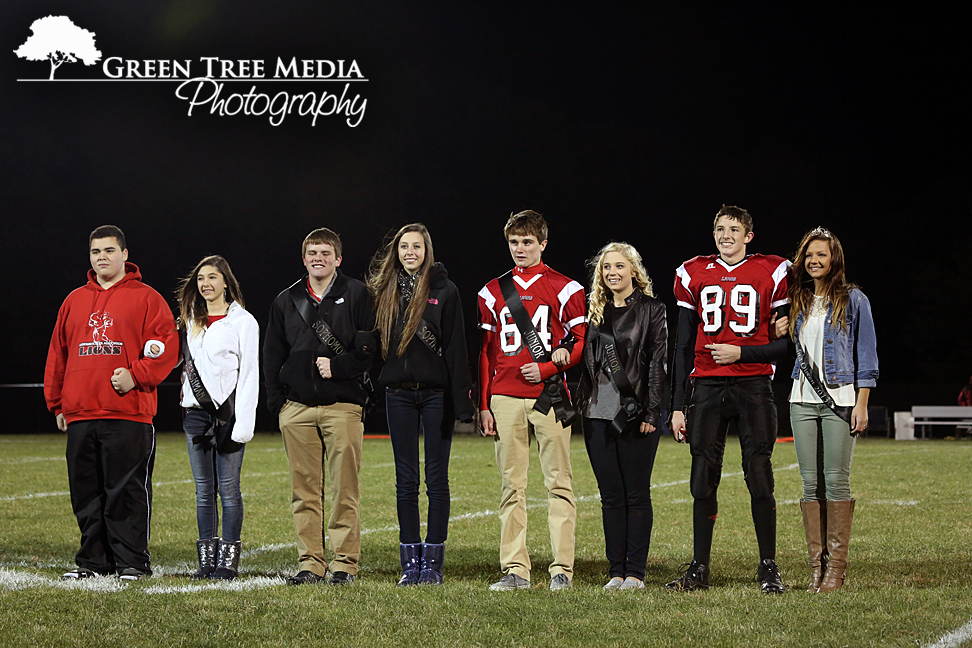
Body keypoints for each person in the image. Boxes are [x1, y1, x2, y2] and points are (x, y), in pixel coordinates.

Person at [666, 205, 789, 594]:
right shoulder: (692, 272)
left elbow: (785, 345)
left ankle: (768, 565)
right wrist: (675, 404)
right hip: (706, 385)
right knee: (702, 476)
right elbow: (683, 343)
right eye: (720, 228)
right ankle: (699, 567)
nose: (726, 235)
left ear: (748, 235)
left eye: (734, 229)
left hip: (753, 384)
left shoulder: (774, 269)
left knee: (759, 474)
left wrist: (743, 354)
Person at [44, 225, 178, 581]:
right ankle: (93, 562)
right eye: (95, 252)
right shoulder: (74, 300)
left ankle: (132, 562)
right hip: (81, 412)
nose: (101, 257)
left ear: (124, 255)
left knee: (126, 491)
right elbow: (58, 353)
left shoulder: (147, 298)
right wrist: (57, 404)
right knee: (86, 492)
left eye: (108, 250)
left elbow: (166, 347)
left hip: (128, 413)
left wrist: (137, 375)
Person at [478, 209, 587, 591]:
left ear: (543, 243)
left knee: (559, 483)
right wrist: (483, 403)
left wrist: (544, 371)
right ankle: (515, 570)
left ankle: (562, 569)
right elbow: (487, 352)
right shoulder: (491, 290)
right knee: (512, 486)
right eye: (514, 242)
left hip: (549, 396)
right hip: (505, 397)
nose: (520, 248)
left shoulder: (567, 288)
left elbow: (580, 344)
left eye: (527, 242)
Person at [264, 228, 376, 586]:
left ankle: (345, 564)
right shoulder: (287, 299)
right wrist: (278, 404)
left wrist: (341, 368)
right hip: (296, 409)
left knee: (345, 488)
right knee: (304, 491)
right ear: (303, 258)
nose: (318, 258)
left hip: (343, 406)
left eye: (326, 253)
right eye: (312, 252)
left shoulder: (358, 294)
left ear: (338, 259)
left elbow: (370, 348)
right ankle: (310, 563)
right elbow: (271, 354)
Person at [367, 224, 475, 586]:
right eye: (403, 246)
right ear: (396, 251)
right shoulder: (385, 291)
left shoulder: (445, 289)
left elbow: (458, 348)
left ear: (427, 250)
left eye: (416, 246)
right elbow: (371, 344)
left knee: (436, 480)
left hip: (436, 396)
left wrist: (463, 405)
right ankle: (409, 563)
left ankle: (433, 563)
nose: (409, 252)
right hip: (397, 394)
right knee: (405, 481)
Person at [776, 226, 877, 593]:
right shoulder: (798, 299)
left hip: (841, 399)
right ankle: (815, 568)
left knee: (836, 481)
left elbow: (866, 357)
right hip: (801, 400)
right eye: (809, 255)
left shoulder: (854, 299)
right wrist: (777, 328)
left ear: (834, 259)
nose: (815, 261)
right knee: (809, 483)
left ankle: (836, 570)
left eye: (822, 254)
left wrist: (862, 404)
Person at [576, 242, 668, 590]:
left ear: (634, 270)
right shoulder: (594, 312)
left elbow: (659, 364)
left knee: (636, 494)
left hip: (635, 413)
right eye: (606, 268)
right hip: (597, 414)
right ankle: (616, 571)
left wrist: (651, 410)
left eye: (619, 266)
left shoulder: (652, 309)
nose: (612, 272)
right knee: (610, 495)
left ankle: (636, 573)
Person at [176, 255, 259, 581]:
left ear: (226, 282)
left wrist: (244, 423)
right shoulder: (191, 321)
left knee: (229, 490)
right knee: (202, 492)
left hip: (227, 417)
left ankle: (227, 561)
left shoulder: (244, 322)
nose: (206, 284)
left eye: (212, 277)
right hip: (195, 416)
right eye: (200, 279)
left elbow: (249, 375)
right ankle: (206, 561)